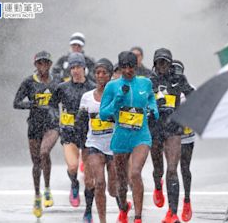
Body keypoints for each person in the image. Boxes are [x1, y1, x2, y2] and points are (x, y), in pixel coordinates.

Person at [100, 51, 159, 223]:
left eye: (131, 67)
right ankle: (124, 207)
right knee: (121, 178)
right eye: (124, 67)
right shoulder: (112, 86)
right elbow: (103, 114)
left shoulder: (145, 83)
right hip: (121, 137)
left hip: (141, 135)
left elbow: (151, 98)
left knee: (135, 173)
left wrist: (153, 108)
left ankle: (138, 217)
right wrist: (117, 100)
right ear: (119, 67)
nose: (128, 70)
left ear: (136, 67)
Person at [149, 49, 194, 223]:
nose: (163, 66)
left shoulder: (178, 79)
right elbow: (141, 101)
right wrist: (153, 104)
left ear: (170, 64)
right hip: (155, 129)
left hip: (174, 129)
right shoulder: (149, 81)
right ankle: (157, 185)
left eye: (166, 62)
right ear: (154, 64)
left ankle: (172, 213)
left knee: (172, 170)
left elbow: (192, 96)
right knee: (159, 169)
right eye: (159, 62)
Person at [13, 51, 59, 218]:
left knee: (44, 152)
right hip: (34, 126)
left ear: (50, 64)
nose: (43, 66)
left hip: (52, 125)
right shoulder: (28, 82)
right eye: (40, 63)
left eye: (46, 63)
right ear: (35, 65)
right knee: (36, 162)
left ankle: (47, 189)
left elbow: (66, 99)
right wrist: (32, 104)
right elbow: (16, 103)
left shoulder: (56, 81)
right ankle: (37, 196)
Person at [48, 52, 96, 208]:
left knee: (89, 178)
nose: (75, 70)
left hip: (89, 135)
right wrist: (57, 118)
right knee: (73, 166)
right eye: (72, 67)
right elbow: (52, 105)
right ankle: (74, 183)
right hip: (69, 133)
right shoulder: (62, 88)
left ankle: (88, 210)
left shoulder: (92, 87)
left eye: (78, 67)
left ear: (84, 68)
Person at [76, 58, 118, 223]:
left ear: (110, 75)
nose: (100, 76)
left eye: (104, 73)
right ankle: (102, 220)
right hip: (94, 145)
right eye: (97, 72)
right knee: (99, 183)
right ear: (94, 75)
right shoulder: (86, 97)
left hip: (114, 146)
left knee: (113, 189)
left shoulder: (117, 95)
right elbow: (80, 122)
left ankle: (122, 205)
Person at [174, 60, 195, 222]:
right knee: (171, 170)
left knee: (185, 168)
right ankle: (172, 209)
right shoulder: (164, 88)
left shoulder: (190, 89)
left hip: (187, 136)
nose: (176, 73)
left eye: (178, 70)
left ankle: (187, 200)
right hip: (169, 136)